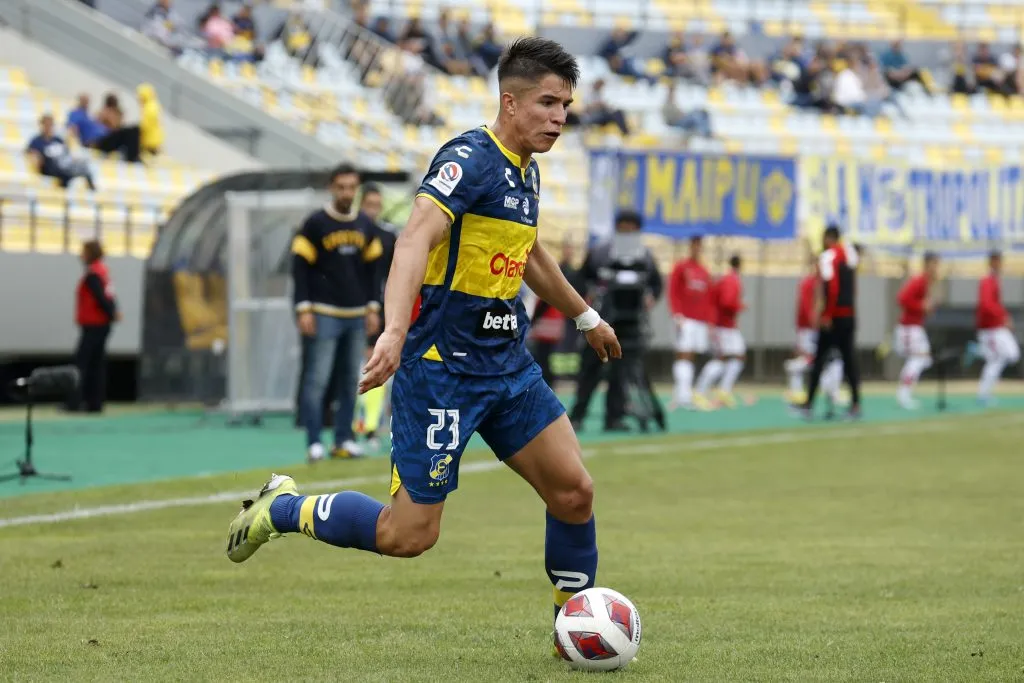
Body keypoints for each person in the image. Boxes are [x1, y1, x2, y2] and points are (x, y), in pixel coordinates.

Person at [225, 39, 622, 649]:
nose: (559, 117)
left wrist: (586, 316)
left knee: (574, 492)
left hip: (506, 366)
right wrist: (394, 330)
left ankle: (573, 629)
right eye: (547, 103)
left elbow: (529, 253)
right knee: (407, 536)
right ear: (509, 102)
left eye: (566, 105)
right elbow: (413, 239)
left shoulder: (527, 170)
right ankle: (282, 510)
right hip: (442, 369)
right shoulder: (468, 158)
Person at [292, 163, 385, 462]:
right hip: (323, 312)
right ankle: (314, 440)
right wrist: (303, 308)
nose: (347, 193)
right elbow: (300, 269)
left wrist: (373, 308)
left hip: (356, 315)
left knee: (350, 381)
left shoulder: (364, 225)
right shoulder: (315, 224)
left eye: (351, 187)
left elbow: (374, 273)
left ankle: (344, 439)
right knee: (317, 379)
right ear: (332, 188)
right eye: (342, 187)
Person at [569, 209, 663, 432]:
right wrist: (587, 300)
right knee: (590, 371)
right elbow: (581, 279)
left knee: (621, 375)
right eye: (624, 227)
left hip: (630, 325)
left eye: (632, 227)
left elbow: (656, 284)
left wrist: (651, 297)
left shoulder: (645, 256)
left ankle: (614, 417)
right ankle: (578, 415)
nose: (628, 231)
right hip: (601, 321)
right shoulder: (601, 251)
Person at [795, 225, 862, 420]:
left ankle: (809, 405)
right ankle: (855, 405)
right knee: (849, 361)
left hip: (834, 318)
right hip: (849, 315)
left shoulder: (828, 258)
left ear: (827, 238)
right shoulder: (850, 255)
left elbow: (831, 289)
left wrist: (826, 315)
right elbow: (853, 287)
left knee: (819, 361)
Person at [352, 183, 398, 451]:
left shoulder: (386, 237)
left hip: (375, 309)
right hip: (345, 308)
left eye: (376, 205)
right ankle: (348, 426)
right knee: (347, 369)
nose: (373, 210)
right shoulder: (349, 234)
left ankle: (368, 426)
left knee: (372, 363)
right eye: (368, 205)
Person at [784, 257, 844, 405]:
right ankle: (797, 378)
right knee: (814, 359)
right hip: (809, 329)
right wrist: (815, 323)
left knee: (825, 360)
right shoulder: (809, 283)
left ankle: (829, 390)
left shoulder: (824, 283)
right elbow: (806, 307)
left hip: (816, 328)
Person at [69, 240, 119, 413]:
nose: (81, 255)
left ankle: (75, 402)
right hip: (101, 324)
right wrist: (113, 313)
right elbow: (109, 296)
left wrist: (111, 313)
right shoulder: (102, 272)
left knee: (82, 363)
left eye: (84, 252)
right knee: (96, 364)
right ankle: (94, 403)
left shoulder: (93, 274)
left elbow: (101, 297)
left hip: (94, 323)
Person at [668, 235, 714, 411]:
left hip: (700, 320)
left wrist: (709, 320)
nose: (697, 248)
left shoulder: (704, 271)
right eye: (695, 245)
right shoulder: (682, 267)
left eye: (700, 245)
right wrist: (677, 314)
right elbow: (673, 291)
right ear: (690, 246)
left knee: (692, 355)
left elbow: (708, 298)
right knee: (684, 354)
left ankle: (681, 393)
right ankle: (684, 396)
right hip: (685, 319)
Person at [695, 254, 745, 408]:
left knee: (737, 356)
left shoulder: (729, 279)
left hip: (726, 326)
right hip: (722, 326)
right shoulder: (730, 280)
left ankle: (724, 390)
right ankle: (699, 392)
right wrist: (740, 306)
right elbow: (726, 301)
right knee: (721, 358)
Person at [894, 252, 939, 410]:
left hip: (915, 327)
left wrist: (926, 308)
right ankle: (903, 394)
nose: (936, 268)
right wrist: (921, 306)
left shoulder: (926, 283)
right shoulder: (919, 280)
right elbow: (901, 298)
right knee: (917, 359)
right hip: (909, 327)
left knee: (924, 359)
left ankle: (905, 392)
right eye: (934, 264)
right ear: (926, 264)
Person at [976, 250, 1020, 406]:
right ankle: (983, 394)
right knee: (1003, 356)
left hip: (994, 327)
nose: (999, 264)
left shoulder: (994, 280)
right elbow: (987, 305)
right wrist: (1003, 317)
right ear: (991, 262)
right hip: (990, 329)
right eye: (996, 260)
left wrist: (1004, 317)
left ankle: (984, 393)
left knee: (1001, 358)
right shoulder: (987, 280)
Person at [25, 114, 96, 190]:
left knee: (85, 167)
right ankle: (65, 194)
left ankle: (93, 194)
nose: (48, 127)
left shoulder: (58, 140)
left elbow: (67, 153)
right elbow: (29, 151)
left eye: (50, 124)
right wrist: (36, 156)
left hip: (63, 165)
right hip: (49, 167)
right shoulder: (36, 141)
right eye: (46, 124)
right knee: (64, 172)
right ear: (41, 125)